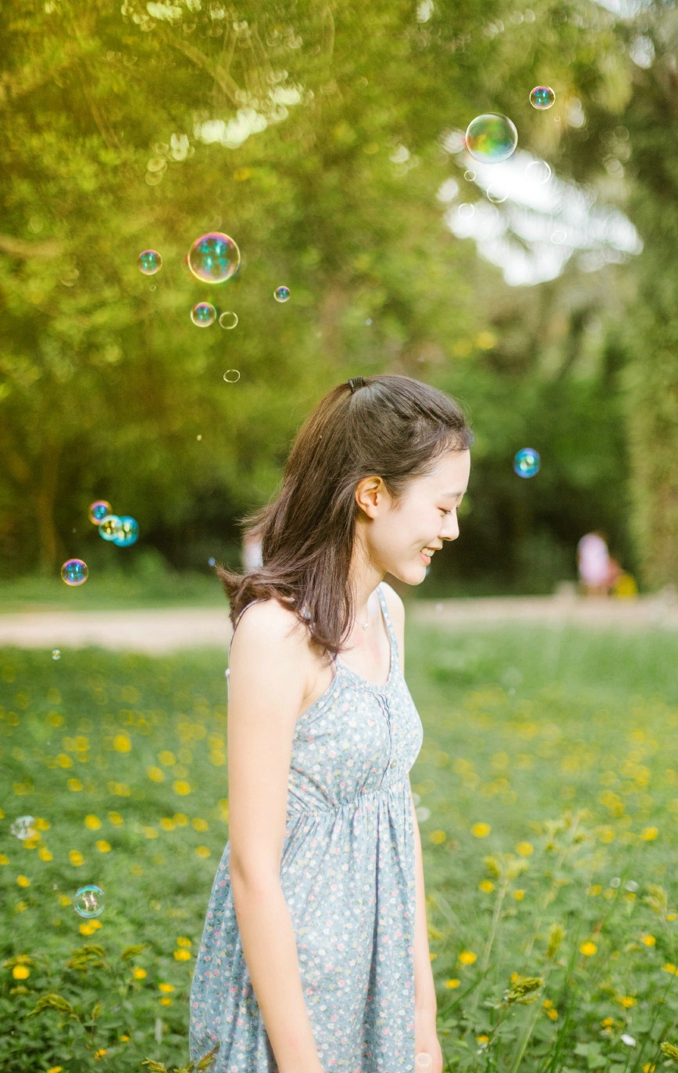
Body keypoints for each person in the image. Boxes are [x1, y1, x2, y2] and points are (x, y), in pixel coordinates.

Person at [189, 374, 473, 1073]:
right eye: (443, 507)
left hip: (375, 965)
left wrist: (421, 1020)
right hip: (294, 985)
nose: (452, 529)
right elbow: (254, 867)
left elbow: (393, 816)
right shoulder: (275, 636)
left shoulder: (388, 617)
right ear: (372, 495)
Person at [577, 531, 611, 595]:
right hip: (595, 565)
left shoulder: (586, 540)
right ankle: (596, 597)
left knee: (590, 582)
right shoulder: (599, 543)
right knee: (594, 583)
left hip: (589, 565)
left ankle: (591, 597)